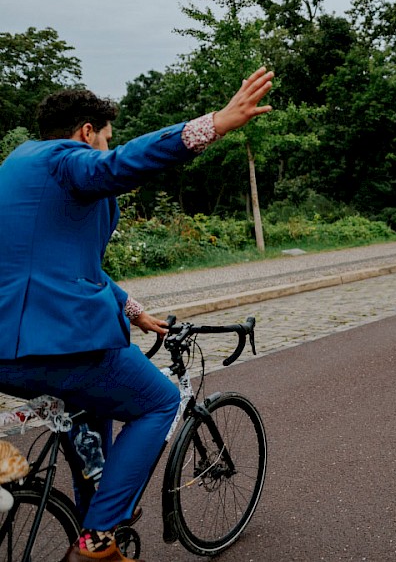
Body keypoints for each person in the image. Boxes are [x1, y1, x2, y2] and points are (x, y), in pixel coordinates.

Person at [0, 67, 274, 562]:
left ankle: (88, 519)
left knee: (92, 416)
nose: (108, 145)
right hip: (60, 346)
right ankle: (97, 538)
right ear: (87, 132)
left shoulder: (18, 166)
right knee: (158, 401)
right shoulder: (70, 161)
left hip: (9, 350)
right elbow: (117, 167)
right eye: (107, 136)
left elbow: (67, 268)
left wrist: (134, 311)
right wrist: (212, 125)